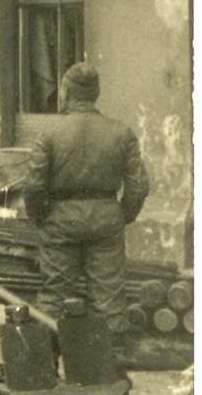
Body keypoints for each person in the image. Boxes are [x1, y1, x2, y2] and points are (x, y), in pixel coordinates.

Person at [23, 62, 149, 358]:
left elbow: (34, 185)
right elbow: (139, 185)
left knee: (54, 295)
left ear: (66, 92)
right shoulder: (121, 133)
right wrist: (121, 214)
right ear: (96, 94)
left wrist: (41, 216)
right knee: (108, 301)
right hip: (106, 215)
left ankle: (46, 371)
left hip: (61, 218)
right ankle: (105, 376)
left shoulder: (49, 133)